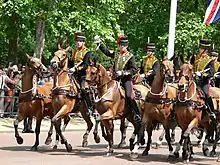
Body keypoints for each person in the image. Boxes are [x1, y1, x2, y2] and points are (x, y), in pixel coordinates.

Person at [94, 35, 141, 122]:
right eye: (120, 45)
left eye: (123, 45)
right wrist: (99, 43)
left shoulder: (130, 56)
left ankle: (137, 113)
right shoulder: (116, 54)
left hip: (125, 79)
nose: (122, 47)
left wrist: (123, 72)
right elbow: (106, 52)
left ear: (126, 46)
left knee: (129, 95)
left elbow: (134, 70)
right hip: (115, 79)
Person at [69, 32, 95, 116]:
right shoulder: (74, 51)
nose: (78, 42)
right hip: (73, 73)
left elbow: (85, 65)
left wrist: (75, 68)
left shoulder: (87, 52)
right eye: (77, 41)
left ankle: (90, 107)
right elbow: (71, 62)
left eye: (80, 41)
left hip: (82, 74)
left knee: (83, 89)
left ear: (84, 42)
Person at [193, 39, 216, 121]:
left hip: (203, 82)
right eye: (200, 48)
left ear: (205, 50)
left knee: (206, 94)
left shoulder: (210, 60)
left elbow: (211, 73)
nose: (199, 50)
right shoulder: (196, 58)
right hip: (194, 80)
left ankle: (211, 111)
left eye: (201, 48)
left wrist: (202, 74)